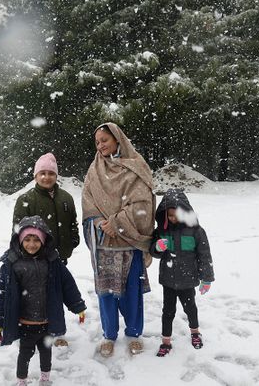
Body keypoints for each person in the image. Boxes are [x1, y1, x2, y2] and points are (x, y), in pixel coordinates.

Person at [82, 122, 156, 357]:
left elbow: (143, 203)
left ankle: (134, 333)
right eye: (97, 142)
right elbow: (87, 201)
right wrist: (97, 221)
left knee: (131, 292)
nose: (100, 145)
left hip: (129, 244)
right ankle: (109, 335)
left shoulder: (136, 166)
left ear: (117, 139)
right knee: (106, 293)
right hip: (103, 243)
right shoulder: (94, 170)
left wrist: (118, 222)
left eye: (104, 140)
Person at [0, 215, 86, 386]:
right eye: (27, 239)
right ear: (20, 240)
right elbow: (1, 295)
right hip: (25, 322)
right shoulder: (11, 264)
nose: (32, 244)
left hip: (46, 320)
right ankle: (21, 381)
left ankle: (45, 379)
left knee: (46, 352)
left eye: (36, 239)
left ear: (43, 241)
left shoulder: (52, 262)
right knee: (25, 354)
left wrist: (77, 305)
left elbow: (67, 285)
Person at [13, 152, 80, 347]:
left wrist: (73, 240)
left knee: (55, 296)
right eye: (42, 173)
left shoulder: (66, 198)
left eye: (51, 173)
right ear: (35, 176)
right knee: (35, 297)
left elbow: (73, 223)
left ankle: (56, 332)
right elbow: (18, 230)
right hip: (35, 259)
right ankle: (32, 330)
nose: (46, 177)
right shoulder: (26, 199)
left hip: (59, 257)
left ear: (56, 176)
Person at [149, 188, 215, 357]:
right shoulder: (162, 230)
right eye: (170, 215)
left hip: (187, 280)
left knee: (190, 308)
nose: (173, 218)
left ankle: (195, 332)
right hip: (168, 280)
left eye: (176, 214)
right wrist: (157, 247)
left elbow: (204, 255)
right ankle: (166, 342)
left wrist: (206, 278)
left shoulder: (196, 231)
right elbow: (153, 252)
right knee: (167, 312)